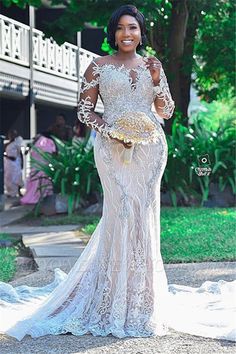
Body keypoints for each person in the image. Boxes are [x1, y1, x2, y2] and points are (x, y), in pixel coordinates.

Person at [0, 5, 235, 342]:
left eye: (134, 28)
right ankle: (112, 295)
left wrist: (156, 80)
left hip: (151, 149)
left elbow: (166, 111)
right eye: (122, 28)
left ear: (141, 33)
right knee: (121, 209)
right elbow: (84, 110)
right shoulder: (97, 66)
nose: (128, 34)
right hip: (111, 149)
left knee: (142, 213)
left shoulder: (152, 66)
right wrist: (110, 132)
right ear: (113, 33)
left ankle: (142, 299)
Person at [20, 131, 57, 205]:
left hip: (35, 167)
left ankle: (33, 196)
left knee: (34, 183)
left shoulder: (35, 143)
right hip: (44, 167)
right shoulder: (48, 141)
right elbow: (53, 153)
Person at [4, 129, 23, 197]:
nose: (11, 136)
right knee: (9, 177)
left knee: (15, 177)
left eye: (12, 135)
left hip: (14, 163)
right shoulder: (8, 144)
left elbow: (16, 155)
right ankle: (11, 192)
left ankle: (16, 191)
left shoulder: (16, 143)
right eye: (10, 135)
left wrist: (5, 155)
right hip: (9, 163)